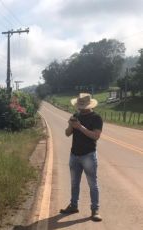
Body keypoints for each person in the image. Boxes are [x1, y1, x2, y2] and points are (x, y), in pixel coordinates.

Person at [60, 93, 103, 222]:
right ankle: (73, 205)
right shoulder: (76, 116)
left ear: (89, 105)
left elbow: (95, 136)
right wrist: (70, 125)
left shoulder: (96, 118)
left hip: (88, 155)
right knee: (74, 183)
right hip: (74, 155)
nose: (79, 108)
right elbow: (67, 134)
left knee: (92, 184)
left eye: (81, 106)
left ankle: (95, 210)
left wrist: (80, 127)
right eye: (79, 106)